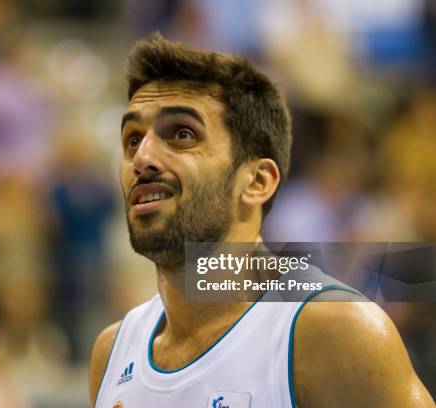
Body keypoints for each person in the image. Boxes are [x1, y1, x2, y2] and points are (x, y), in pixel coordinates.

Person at [88, 34, 434, 407]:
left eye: (182, 134)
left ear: (257, 182)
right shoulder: (112, 352)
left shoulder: (335, 331)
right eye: (133, 139)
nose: (143, 157)